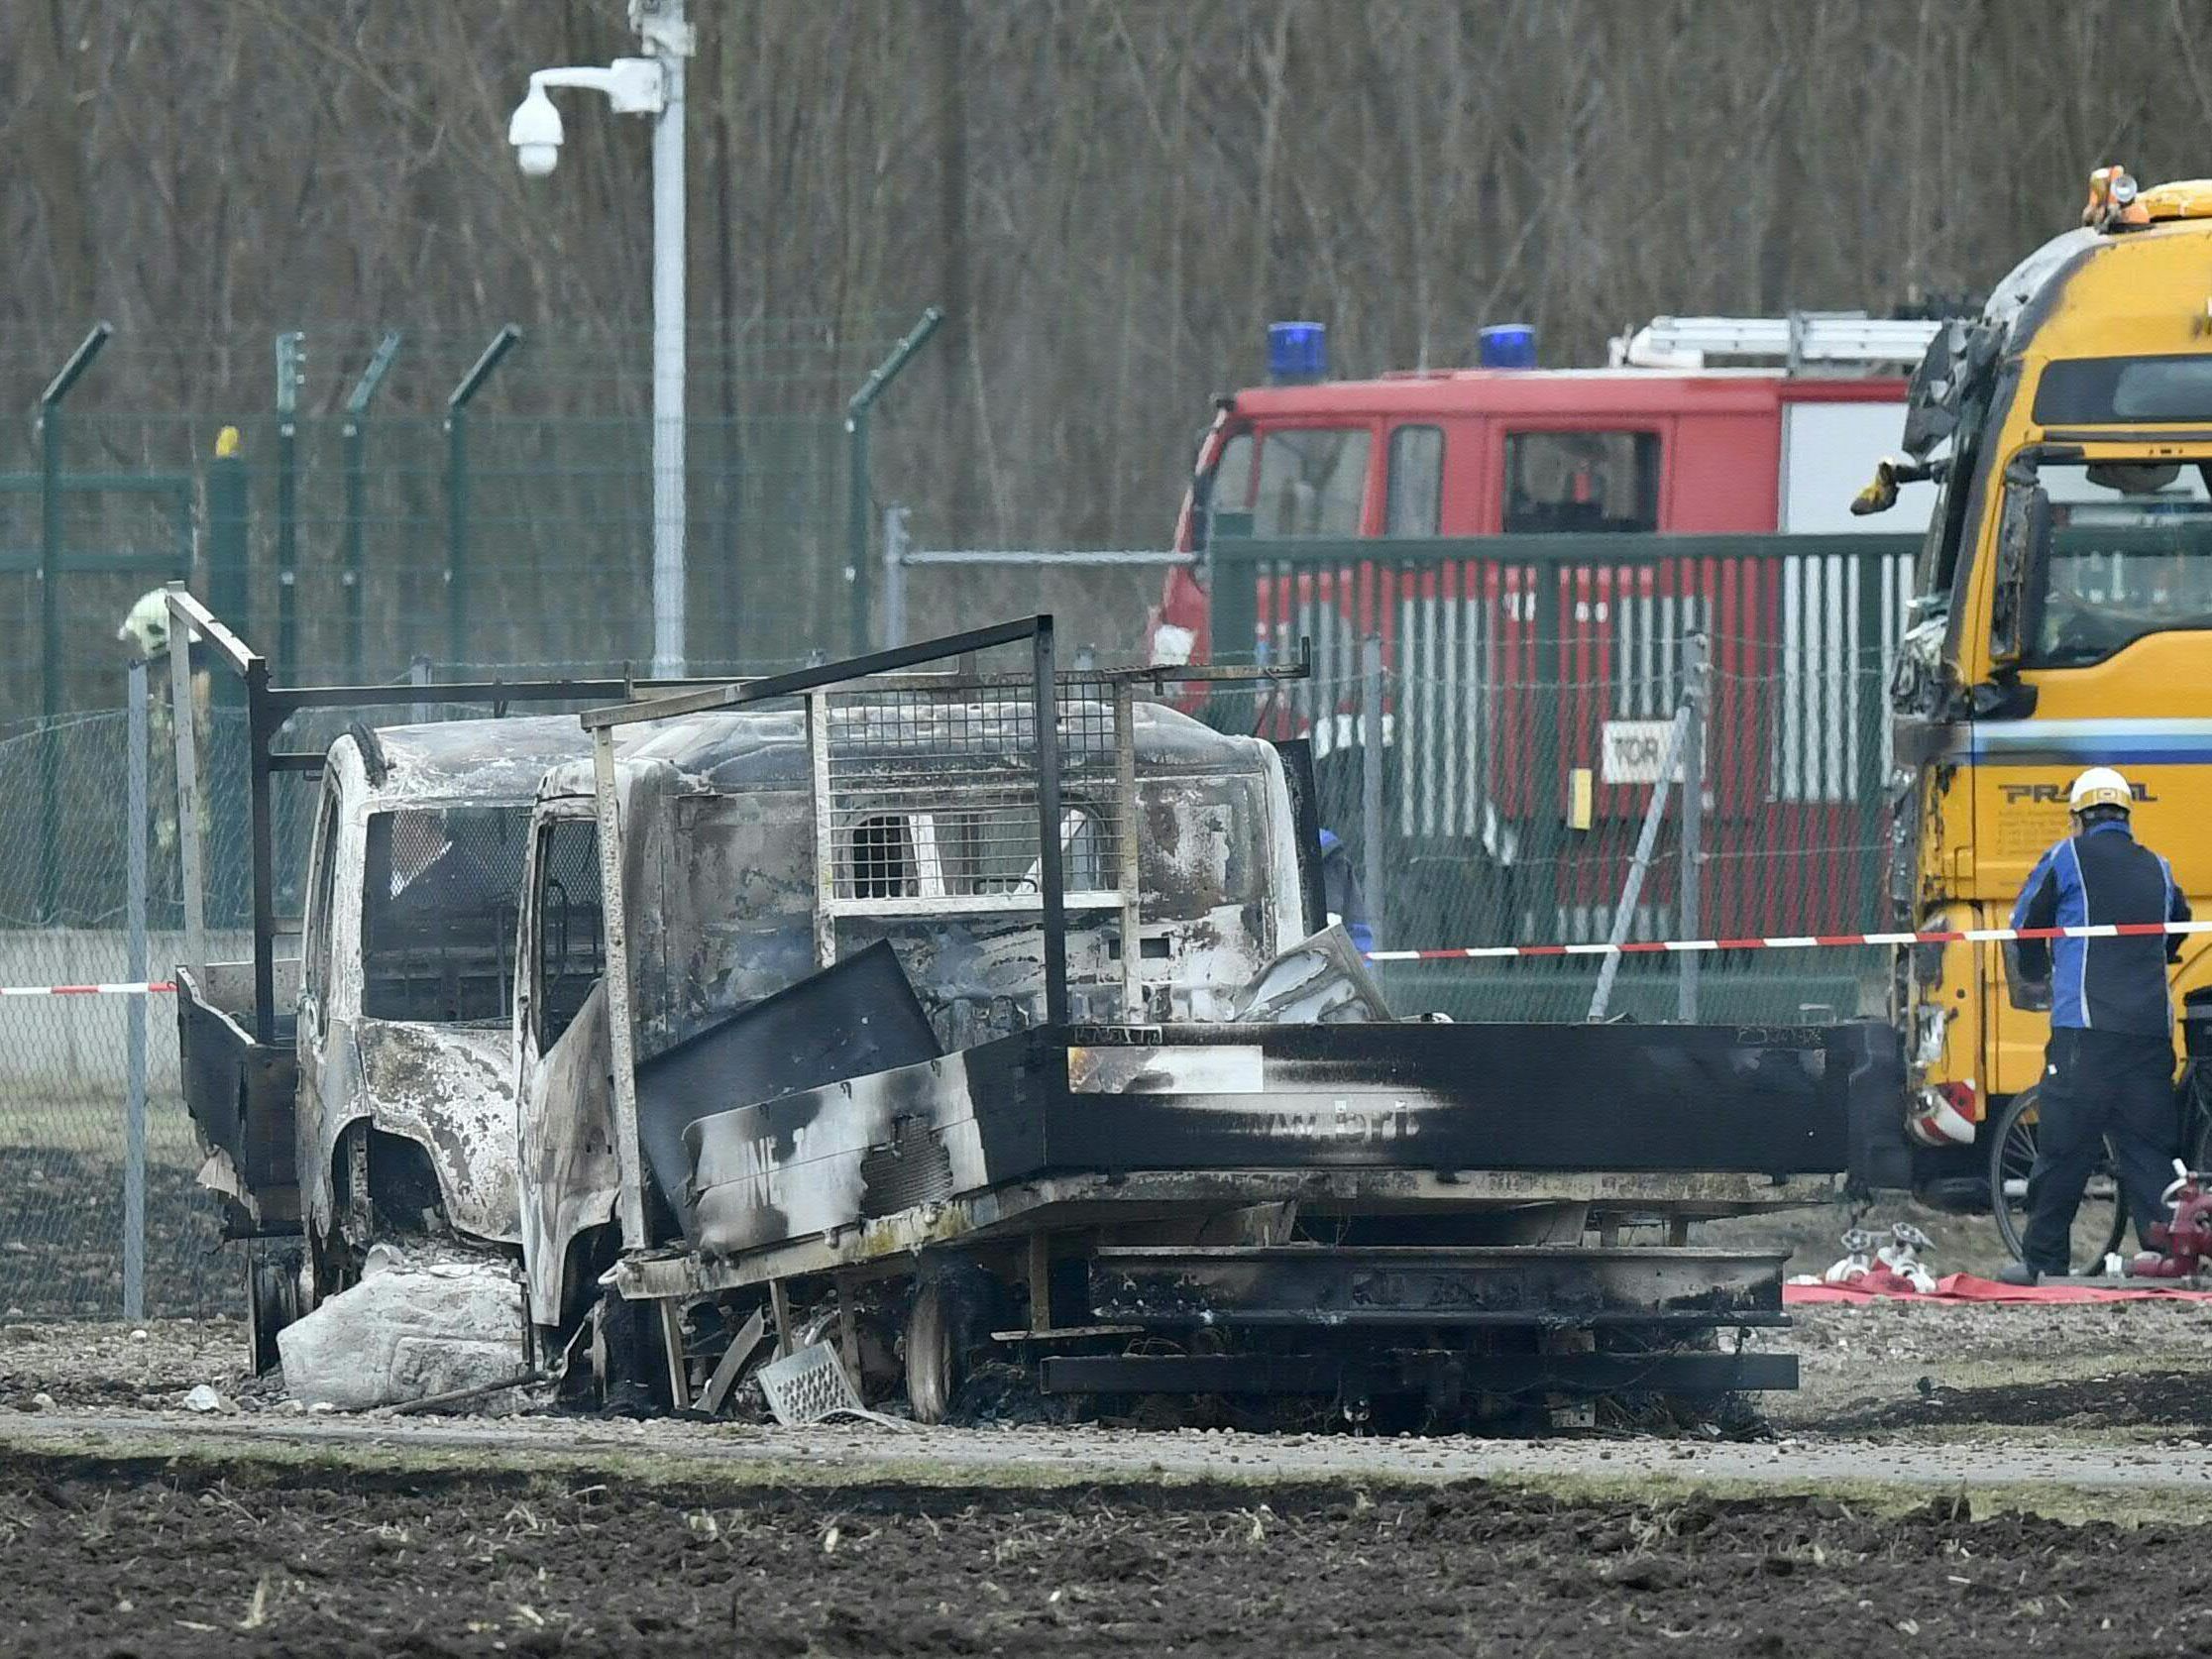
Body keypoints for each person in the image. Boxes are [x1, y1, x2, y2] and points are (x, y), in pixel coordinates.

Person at [2000, 766, 2191, 1283]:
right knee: (2149, 1151)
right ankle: (2172, 1257)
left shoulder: (2067, 856)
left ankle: (2042, 1262)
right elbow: (2177, 927)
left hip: (2085, 1031)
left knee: (2065, 1147)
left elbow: (2024, 925)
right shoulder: (2160, 866)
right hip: (2150, 1034)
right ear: (2125, 815)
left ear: (2078, 817)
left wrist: (2039, 972)